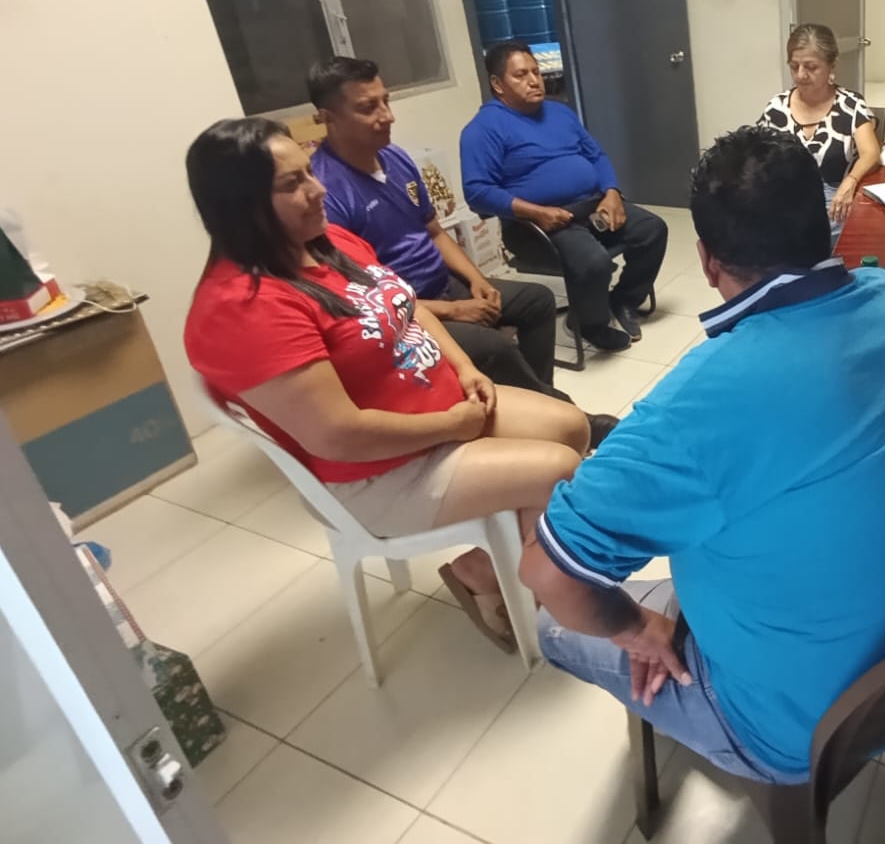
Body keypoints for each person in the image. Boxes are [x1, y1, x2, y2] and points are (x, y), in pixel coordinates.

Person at [520, 126, 885, 784]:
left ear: (707, 262)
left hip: (794, 726)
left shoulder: (702, 402)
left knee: (554, 624)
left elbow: (549, 574)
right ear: (825, 223)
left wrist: (635, 629)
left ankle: (697, 703)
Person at [183, 117, 591, 653]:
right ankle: (505, 580)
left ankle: (490, 561)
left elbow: (407, 306)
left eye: (309, 172)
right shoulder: (244, 308)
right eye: (293, 183)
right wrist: (452, 425)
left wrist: (465, 370)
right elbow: (338, 435)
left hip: (436, 410)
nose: (318, 189)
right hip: (377, 470)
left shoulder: (326, 241)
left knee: (572, 427)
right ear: (240, 206)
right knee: (557, 469)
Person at [305, 59, 617, 443]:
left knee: (536, 302)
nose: (387, 116)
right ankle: (569, 419)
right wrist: (455, 310)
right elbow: (364, 296)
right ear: (327, 117)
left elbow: (434, 232)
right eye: (368, 107)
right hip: (402, 313)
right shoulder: (326, 192)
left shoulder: (396, 158)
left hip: (443, 284)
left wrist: (476, 280)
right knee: (492, 347)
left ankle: (535, 407)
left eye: (386, 101)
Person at [460, 43, 667, 354]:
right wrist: (536, 212)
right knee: (594, 263)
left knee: (652, 230)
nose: (534, 80)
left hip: (592, 207)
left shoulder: (560, 113)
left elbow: (596, 155)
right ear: (497, 84)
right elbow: (477, 192)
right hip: (537, 226)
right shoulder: (483, 129)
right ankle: (589, 323)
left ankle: (622, 300)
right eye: (521, 75)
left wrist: (612, 192)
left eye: (536, 72)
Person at [756, 23, 882, 238]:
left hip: (834, 204)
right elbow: (755, 157)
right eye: (794, 66)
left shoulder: (850, 105)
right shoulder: (776, 108)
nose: (800, 75)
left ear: (832, 66)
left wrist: (851, 181)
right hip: (787, 203)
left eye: (811, 67)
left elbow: (871, 153)